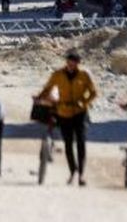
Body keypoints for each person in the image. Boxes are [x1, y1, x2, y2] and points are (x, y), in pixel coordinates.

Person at [37, 52, 97, 186]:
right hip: (63, 112)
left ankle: (81, 174)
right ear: (66, 62)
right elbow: (47, 88)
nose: (71, 66)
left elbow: (93, 92)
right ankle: (72, 171)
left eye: (74, 63)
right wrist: (39, 97)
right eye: (69, 63)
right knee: (68, 144)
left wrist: (84, 102)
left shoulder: (84, 75)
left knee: (81, 142)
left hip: (80, 112)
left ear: (78, 63)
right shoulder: (58, 74)